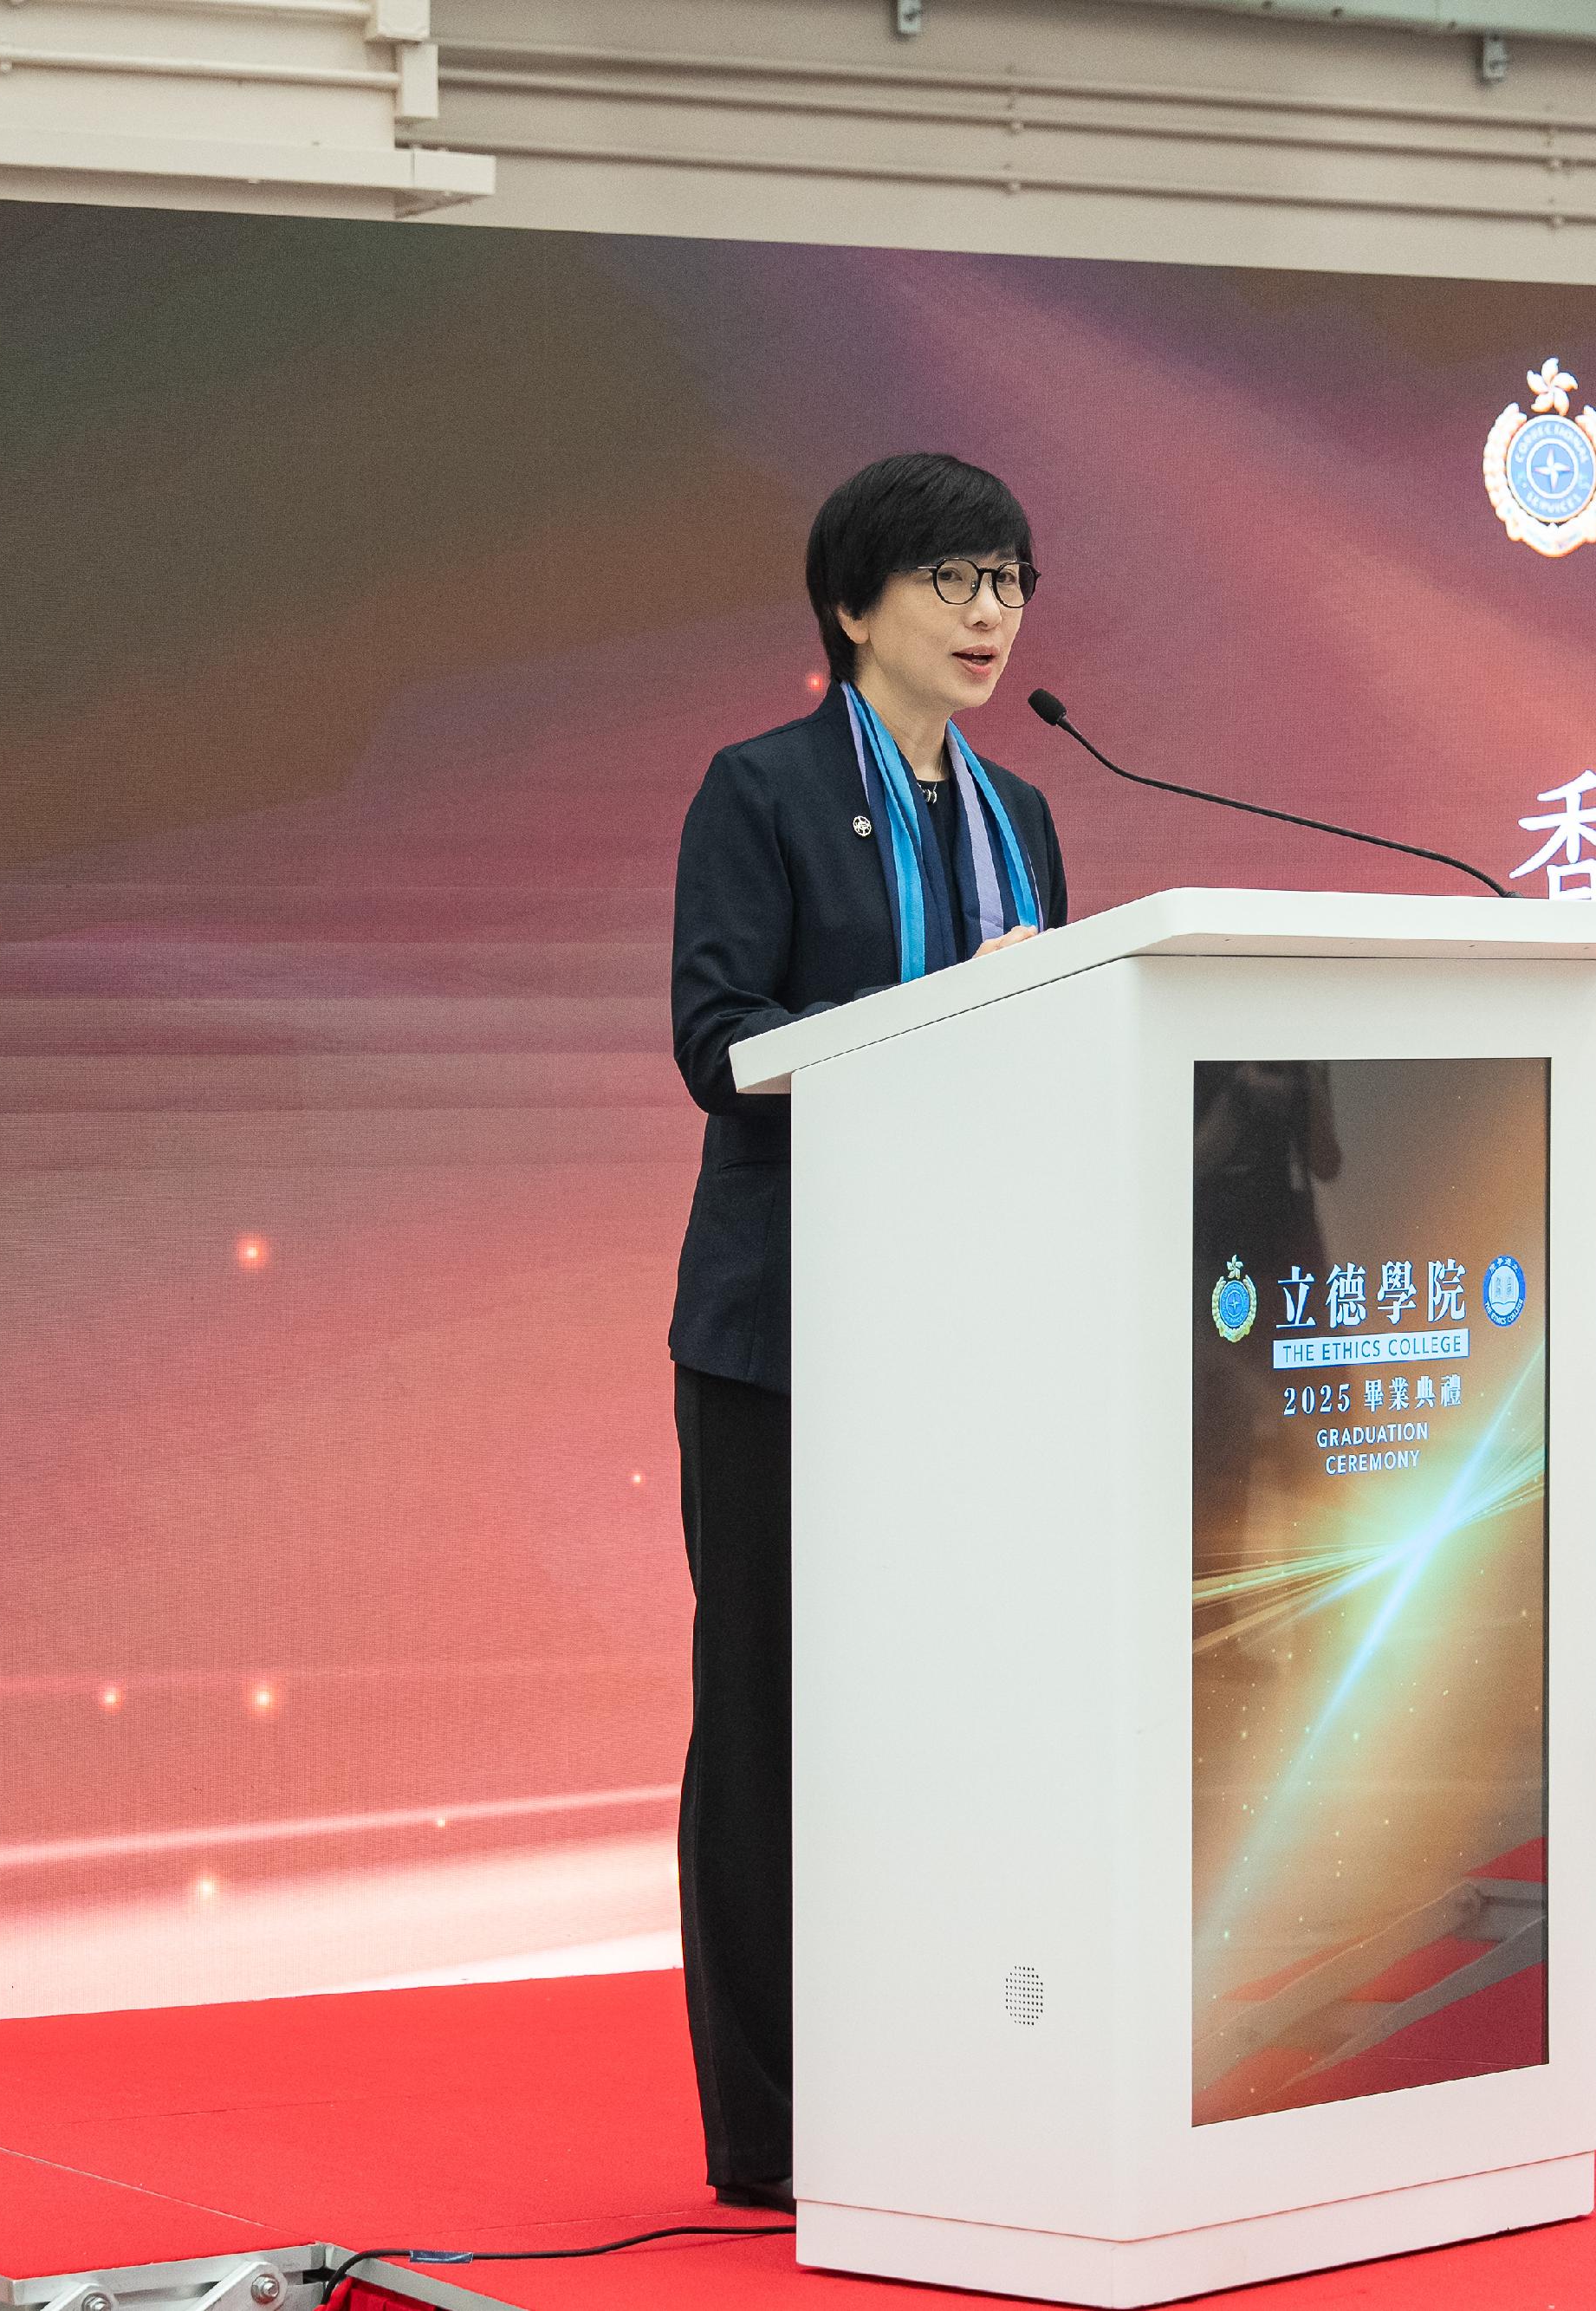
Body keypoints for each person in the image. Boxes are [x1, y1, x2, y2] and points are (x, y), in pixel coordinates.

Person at [665, 452, 1072, 2209]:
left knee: (964, 1709)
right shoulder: (754, 792)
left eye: (1005, 582)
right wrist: (908, 1045)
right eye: (951, 582)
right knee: (768, 1712)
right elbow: (716, 1036)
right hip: (788, 1331)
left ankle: (957, 2058)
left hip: (970, 1337)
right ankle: (773, 2121)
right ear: (852, 606)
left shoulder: (1028, 812)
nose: (988, 616)